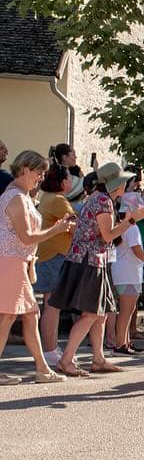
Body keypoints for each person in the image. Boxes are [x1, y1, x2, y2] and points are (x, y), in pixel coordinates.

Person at [48, 163, 144, 376]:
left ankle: (98, 359)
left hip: (91, 261)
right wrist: (132, 219)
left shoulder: (97, 198)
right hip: (90, 262)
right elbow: (108, 235)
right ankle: (66, 360)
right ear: (117, 183)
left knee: (101, 314)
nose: (128, 184)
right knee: (90, 315)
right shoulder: (104, 201)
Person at [0, 150, 76, 384]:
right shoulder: (16, 197)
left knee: (25, 315)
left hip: (16, 262)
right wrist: (56, 230)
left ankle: (42, 368)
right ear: (25, 170)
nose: (42, 177)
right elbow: (27, 236)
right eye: (39, 172)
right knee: (12, 316)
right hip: (11, 261)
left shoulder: (19, 195)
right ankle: (42, 368)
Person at [35, 164, 81, 364]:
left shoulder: (47, 197)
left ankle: (50, 349)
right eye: (69, 178)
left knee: (50, 305)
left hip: (47, 254)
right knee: (52, 306)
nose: (71, 182)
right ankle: (50, 350)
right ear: (63, 182)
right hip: (54, 256)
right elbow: (76, 227)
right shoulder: (59, 200)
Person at [110, 185, 144, 354]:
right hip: (128, 273)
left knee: (129, 309)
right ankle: (121, 344)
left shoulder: (125, 226)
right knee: (126, 310)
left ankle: (125, 342)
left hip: (128, 272)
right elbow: (137, 251)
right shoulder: (131, 228)